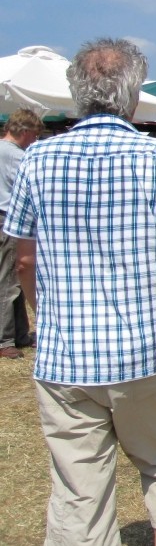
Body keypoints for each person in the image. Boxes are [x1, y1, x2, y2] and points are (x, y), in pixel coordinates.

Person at [5, 37, 156, 546]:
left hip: (66, 356)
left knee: (80, 486)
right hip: (145, 349)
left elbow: (24, 258)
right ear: (132, 96)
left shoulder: (37, 159)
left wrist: (45, 313)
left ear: (78, 93)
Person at [0, 109, 43, 359]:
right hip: (8, 219)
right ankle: (5, 339)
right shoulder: (16, 156)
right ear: (24, 131)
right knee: (9, 281)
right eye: (34, 135)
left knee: (13, 279)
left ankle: (20, 333)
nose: (34, 140)